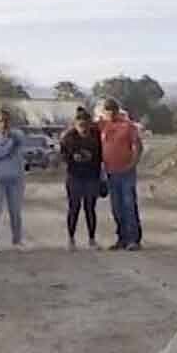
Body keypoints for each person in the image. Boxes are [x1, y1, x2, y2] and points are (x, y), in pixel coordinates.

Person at [98, 98, 144, 250]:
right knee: (116, 207)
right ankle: (122, 238)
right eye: (107, 110)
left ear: (117, 111)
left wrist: (133, 163)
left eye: (112, 110)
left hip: (126, 172)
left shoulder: (128, 126)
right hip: (110, 172)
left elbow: (137, 145)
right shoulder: (103, 126)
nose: (109, 113)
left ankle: (133, 239)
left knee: (128, 205)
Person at [58, 106, 104, 250]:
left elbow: (102, 154)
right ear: (75, 124)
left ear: (90, 124)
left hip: (92, 176)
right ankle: (71, 240)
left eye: (86, 125)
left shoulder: (97, 136)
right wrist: (72, 157)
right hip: (74, 176)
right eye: (80, 125)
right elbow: (62, 155)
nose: (83, 128)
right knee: (74, 208)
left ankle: (91, 239)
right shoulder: (69, 137)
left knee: (90, 208)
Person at [0, 109, 28, 254]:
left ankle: (17, 240)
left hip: (15, 178)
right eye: (1, 121)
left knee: (15, 211)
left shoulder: (17, 135)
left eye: (6, 121)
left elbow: (20, 144)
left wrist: (9, 142)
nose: (4, 124)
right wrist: (8, 146)